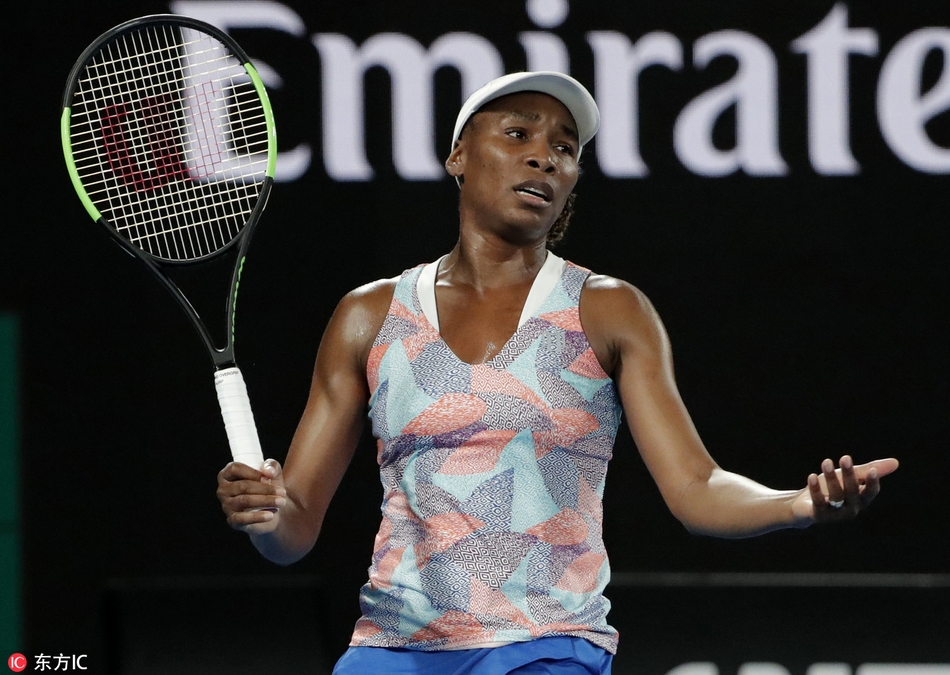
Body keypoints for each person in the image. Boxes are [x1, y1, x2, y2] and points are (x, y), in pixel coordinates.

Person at [216, 72, 899, 674]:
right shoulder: (368, 316)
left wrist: (799, 504)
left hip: (547, 648)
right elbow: (292, 531)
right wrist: (265, 513)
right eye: (518, 134)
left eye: (565, 148)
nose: (544, 155)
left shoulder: (609, 310)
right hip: (392, 650)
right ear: (458, 156)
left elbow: (697, 488)